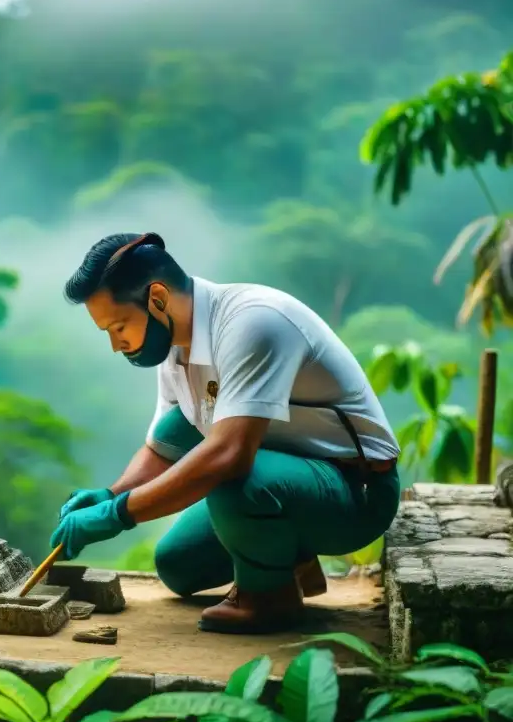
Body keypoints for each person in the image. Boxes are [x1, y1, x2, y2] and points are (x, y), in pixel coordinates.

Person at [50, 231, 401, 635]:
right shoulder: (174, 350)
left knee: (230, 474)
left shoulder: (254, 322)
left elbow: (227, 455)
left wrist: (118, 516)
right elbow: (169, 445)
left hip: (356, 491)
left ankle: (270, 599)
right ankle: (293, 560)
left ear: (158, 299)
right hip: (286, 479)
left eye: (119, 326)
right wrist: (109, 496)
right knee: (177, 564)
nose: (116, 344)